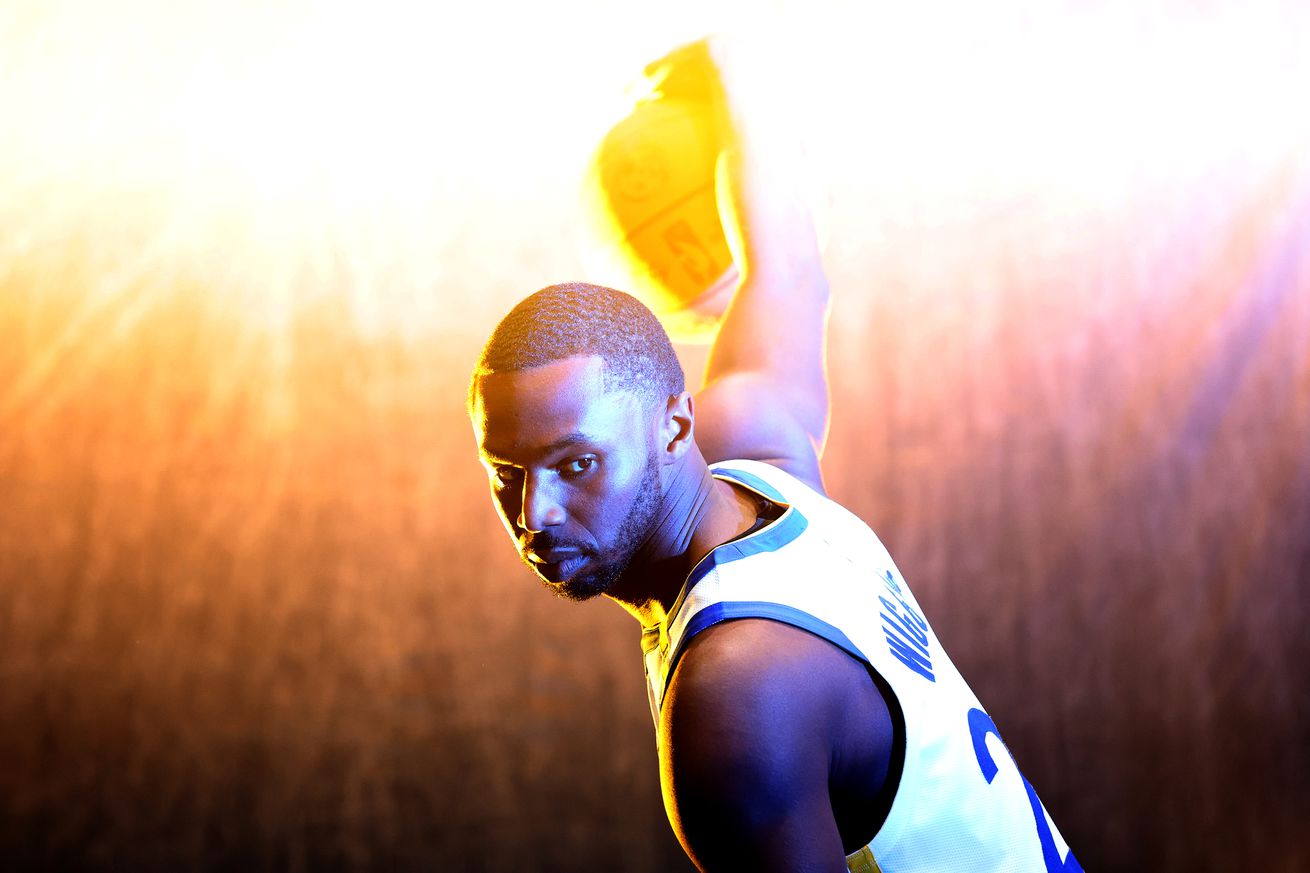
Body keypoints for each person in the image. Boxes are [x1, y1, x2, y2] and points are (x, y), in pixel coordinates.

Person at [468, 37, 1079, 873]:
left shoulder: (735, 696)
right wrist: (734, 74)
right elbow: (787, 271)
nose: (534, 514)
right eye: (507, 473)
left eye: (575, 464)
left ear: (673, 428)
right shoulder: (762, 459)